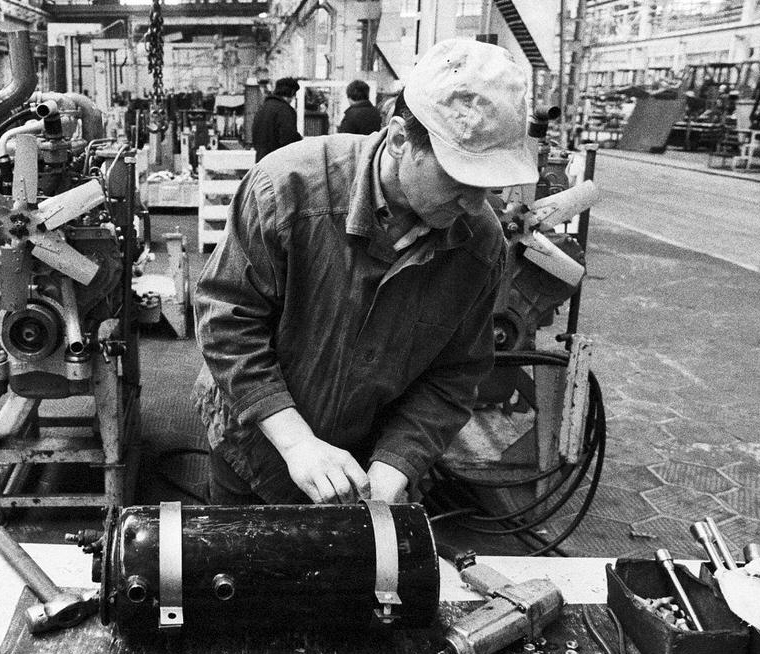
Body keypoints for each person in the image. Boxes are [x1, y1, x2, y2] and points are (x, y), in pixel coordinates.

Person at [193, 39, 536, 506]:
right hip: (252, 446)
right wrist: (295, 442)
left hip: (362, 465)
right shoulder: (287, 189)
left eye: (487, 186)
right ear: (399, 139)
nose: (474, 205)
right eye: (458, 179)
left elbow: (455, 373)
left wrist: (398, 460)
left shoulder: (478, 243)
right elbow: (227, 323)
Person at [250, 76, 301, 162]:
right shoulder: (285, 110)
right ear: (292, 93)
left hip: (261, 161)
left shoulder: (262, 108)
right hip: (277, 164)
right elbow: (288, 140)